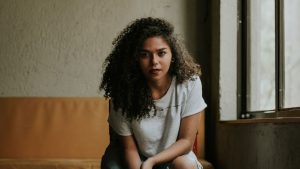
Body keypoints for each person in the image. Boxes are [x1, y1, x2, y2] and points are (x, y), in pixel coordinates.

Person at [100, 17, 207, 169]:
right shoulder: (123, 91)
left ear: (173, 54)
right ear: (135, 58)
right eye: (145, 55)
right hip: (135, 154)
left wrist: (152, 162)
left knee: (184, 165)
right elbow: (128, 148)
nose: (154, 62)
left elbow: (186, 142)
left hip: (175, 154)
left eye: (161, 53)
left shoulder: (189, 84)